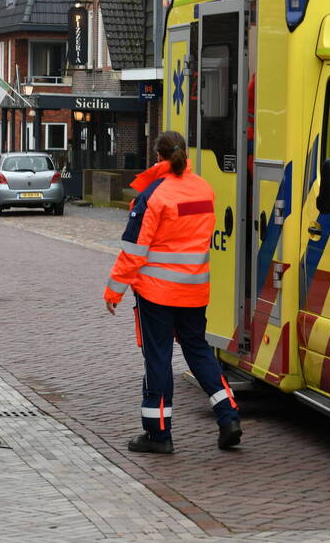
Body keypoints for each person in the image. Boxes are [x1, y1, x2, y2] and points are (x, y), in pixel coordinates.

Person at [103, 130, 241, 454]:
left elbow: (134, 249)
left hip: (157, 293)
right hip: (194, 290)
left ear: (158, 157)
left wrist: (114, 290)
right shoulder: (205, 189)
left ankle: (158, 434)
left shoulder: (154, 195)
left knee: (158, 358)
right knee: (199, 351)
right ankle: (228, 415)